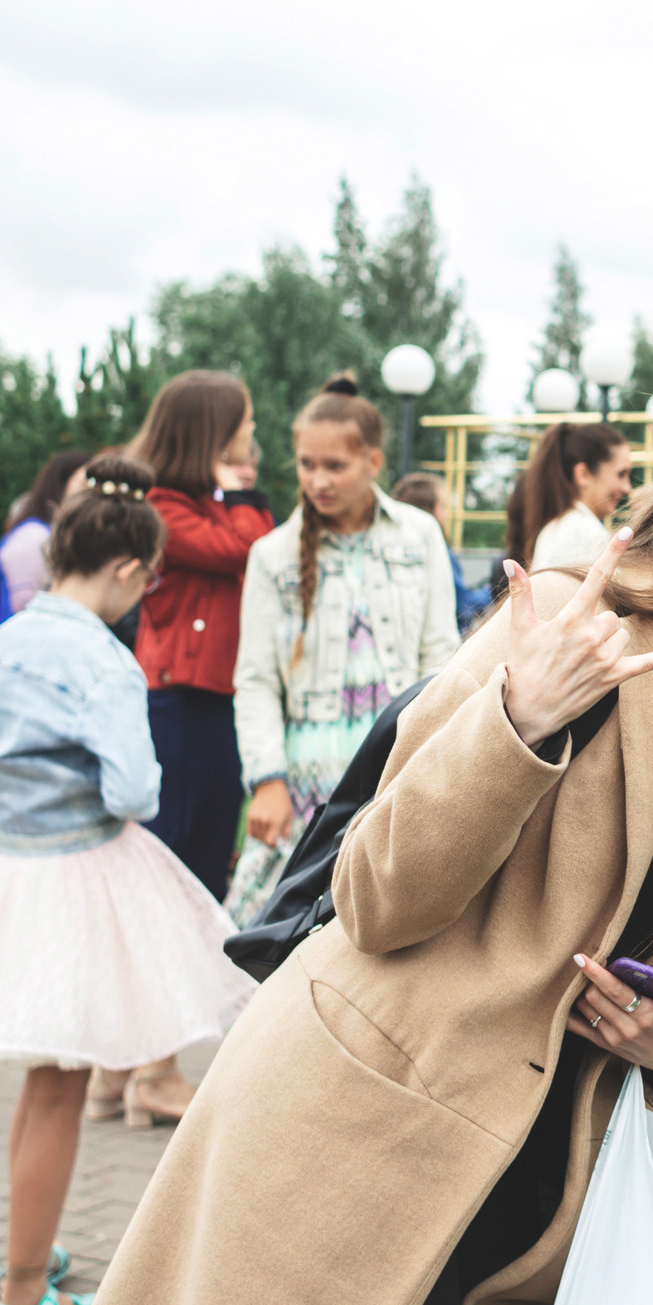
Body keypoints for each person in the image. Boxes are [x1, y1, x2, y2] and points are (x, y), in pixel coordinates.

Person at [75, 351, 653, 1305]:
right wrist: (520, 721)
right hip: (367, 1130)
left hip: (543, 1177)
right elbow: (375, 897)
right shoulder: (576, 625)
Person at [0, 455, 256, 1305]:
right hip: (80, 878)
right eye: (146, 583)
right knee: (60, 1084)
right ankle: (22, 1295)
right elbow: (136, 789)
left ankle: (28, 1250)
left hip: (5, 871)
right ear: (124, 571)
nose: (142, 597)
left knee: (48, 1084)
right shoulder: (103, 658)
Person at [228, 376, 460, 926]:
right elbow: (257, 679)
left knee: (388, 922)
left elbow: (441, 660)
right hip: (308, 773)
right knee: (284, 931)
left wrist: (430, 761)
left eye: (335, 466)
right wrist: (266, 780)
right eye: (308, 465)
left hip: (395, 764)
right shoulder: (273, 554)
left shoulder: (418, 534)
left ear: (373, 460)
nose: (318, 480)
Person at [130, 372, 275, 897]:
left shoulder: (212, 504)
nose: (252, 427)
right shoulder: (160, 505)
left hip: (223, 694)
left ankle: (196, 967)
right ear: (216, 430)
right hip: (181, 696)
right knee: (170, 842)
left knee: (211, 846)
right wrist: (241, 490)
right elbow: (248, 553)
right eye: (245, 418)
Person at [507, 421, 631, 575]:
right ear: (583, 474)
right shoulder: (586, 534)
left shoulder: (556, 527)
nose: (627, 488)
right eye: (621, 474)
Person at [0, 450, 94, 617]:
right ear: (60, 483)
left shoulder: (53, 534)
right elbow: (23, 604)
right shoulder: (34, 535)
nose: (91, 494)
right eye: (84, 483)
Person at [393, 470, 492, 631]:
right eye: (443, 507)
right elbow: (462, 606)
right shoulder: (438, 552)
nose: (447, 514)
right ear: (429, 511)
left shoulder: (392, 546)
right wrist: (493, 590)